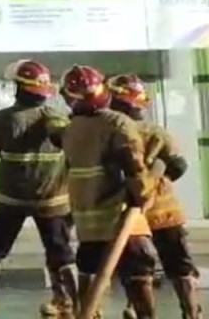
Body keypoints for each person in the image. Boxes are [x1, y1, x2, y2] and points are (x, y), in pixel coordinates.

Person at [0, 59, 76, 318]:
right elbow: (70, 146)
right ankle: (71, 301)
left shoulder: (4, 118)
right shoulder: (57, 119)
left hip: (10, 199)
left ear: (19, 88)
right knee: (60, 249)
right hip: (52, 200)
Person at [57, 65, 160, 319]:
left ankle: (89, 313)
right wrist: (145, 194)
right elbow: (134, 167)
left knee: (90, 268)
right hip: (120, 214)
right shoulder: (117, 123)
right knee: (140, 267)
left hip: (86, 218)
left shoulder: (70, 130)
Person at [110, 74, 203, 319]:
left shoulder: (111, 129)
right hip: (165, 208)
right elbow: (179, 166)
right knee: (179, 262)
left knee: (137, 266)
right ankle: (192, 312)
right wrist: (159, 177)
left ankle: (140, 311)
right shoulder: (156, 132)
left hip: (128, 210)